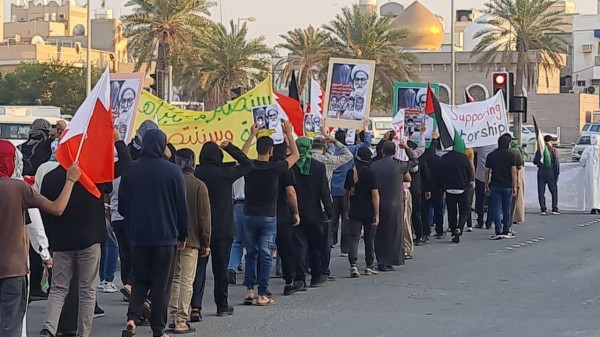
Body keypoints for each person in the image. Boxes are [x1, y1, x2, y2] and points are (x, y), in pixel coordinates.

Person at [0, 140, 79, 337]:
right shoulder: (18, 189)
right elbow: (57, 208)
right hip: (12, 269)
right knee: (10, 324)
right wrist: (70, 180)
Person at [118, 129, 189, 337]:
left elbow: (122, 207)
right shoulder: (173, 171)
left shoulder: (130, 170)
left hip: (138, 236)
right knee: (161, 284)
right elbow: (181, 207)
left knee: (139, 279)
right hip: (166, 237)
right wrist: (183, 234)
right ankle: (158, 329)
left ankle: (132, 318)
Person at [193, 139, 252, 318]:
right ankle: (222, 305)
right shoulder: (225, 173)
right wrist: (230, 148)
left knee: (198, 270)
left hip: (199, 229)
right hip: (222, 227)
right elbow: (248, 164)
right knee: (221, 269)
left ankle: (196, 307)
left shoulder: (196, 173)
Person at [242, 122, 299, 305]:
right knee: (266, 254)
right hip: (268, 216)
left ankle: (249, 290)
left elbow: (241, 155)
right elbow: (296, 155)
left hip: (249, 215)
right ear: (271, 151)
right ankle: (262, 293)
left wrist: (252, 135)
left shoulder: (249, 166)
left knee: (251, 253)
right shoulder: (275, 169)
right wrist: (289, 134)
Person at [169, 149, 212, 334]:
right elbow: (204, 217)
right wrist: (206, 242)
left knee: (175, 279)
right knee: (187, 280)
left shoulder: (171, 182)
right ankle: (181, 319)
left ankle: (172, 317)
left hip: (171, 239)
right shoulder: (199, 185)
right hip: (193, 240)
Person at [291, 137, 333, 288]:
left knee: (299, 245)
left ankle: (300, 277)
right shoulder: (318, 166)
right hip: (314, 212)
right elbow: (324, 190)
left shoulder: (292, 165)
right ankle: (316, 275)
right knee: (315, 245)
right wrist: (329, 209)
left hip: (295, 211)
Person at [370, 141, 417, 271]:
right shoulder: (398, 165)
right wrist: (407, 148)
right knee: (395, 233)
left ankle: (381, 260)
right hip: (395, 203)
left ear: (382, 151)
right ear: (395, 152)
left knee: (380, 233)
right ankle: (392, 259)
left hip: (379, 202)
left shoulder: (374, 166)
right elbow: (414, 161)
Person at [330, 122, 372, 256]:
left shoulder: (330, 153)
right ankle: (345, 248)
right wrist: (365, 128)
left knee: (333, 219)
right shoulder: (350, 150)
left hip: (332, 190)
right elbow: (366, 144)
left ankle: (330, 242)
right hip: (347, 189)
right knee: (346, 219)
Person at [344, 147, 379, 277]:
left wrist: (346, 209)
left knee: (354, 237)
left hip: (355, 208)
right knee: (369, 238)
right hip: (369, 209)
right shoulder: (371, 173)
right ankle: (369, 266)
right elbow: (375, 195)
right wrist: (377, 213)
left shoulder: (350, 173)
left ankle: (353, 265)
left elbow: (346, 194)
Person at [485, 135, 518, 240]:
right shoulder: (511, 156)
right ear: (508, 144)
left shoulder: (491, 155)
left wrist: (486, 185)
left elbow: (486, 172)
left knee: (495, 208)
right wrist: (514, 186)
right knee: (506, 208)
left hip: (495, 185)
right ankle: (506, 229)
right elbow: (513, 172)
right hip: (507, 185)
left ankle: (497, 230)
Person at [440, 148, 474, 244]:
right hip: (463, 187)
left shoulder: (444, 158)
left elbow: (441, 173)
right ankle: (460, 227)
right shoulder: (464, 158)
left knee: (452, 210)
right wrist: (469, 182)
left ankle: (453, 228)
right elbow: (469, 171)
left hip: (449, 188)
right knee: (465, 210)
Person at [533, 135, 560, 215]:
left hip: (541, 171)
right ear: (551, 141)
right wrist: (556, 174)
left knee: (541, 191)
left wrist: (540, 164)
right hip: (550, 171)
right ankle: (554, 208)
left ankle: (543, 209)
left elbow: (535, 161)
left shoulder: (540, 150)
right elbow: (556, 163)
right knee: (553, 191)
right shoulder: (553, 150)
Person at [474, 145, 496, 229]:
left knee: (480, 200)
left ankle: (480, 221)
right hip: (492, 177)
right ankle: (489, 222)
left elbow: (473, 148)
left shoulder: (480, 146)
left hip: (480, 176)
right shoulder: (495, 147)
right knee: (492, 201)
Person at [580, 134, 600, 214]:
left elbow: (582, 161)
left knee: (591, 188)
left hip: (590, 173)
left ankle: (593, 207)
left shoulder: (587, 150)